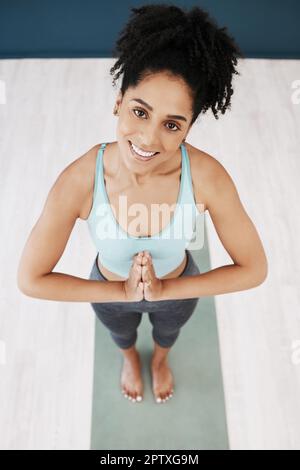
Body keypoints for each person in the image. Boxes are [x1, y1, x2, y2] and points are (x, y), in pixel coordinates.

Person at [18, 3, 268, 406]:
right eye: (140, 111)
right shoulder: (80, 178)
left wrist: (169, 288)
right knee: (121, 333)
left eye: (172, 124)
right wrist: (121, 294)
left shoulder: (207, 176)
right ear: (118, 101)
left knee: (168, 333)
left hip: (179, 286)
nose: (149, 139)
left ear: (189, 126)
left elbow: (255, 269)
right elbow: (30, 279)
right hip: (108, 289)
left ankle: (160, 360)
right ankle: (131, 358)